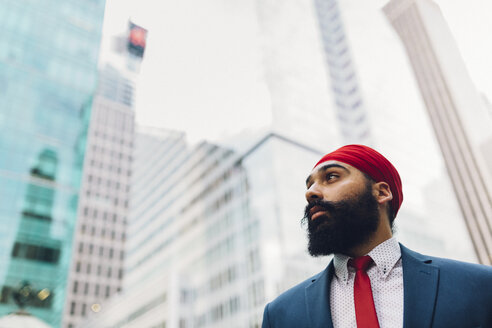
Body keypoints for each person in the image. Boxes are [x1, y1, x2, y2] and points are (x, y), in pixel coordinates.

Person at [261, 144, 492, 328]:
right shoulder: (280, 315)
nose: (310, 192)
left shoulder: (480, 286)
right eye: (309, 185)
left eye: (331, 177)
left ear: (382, 192)